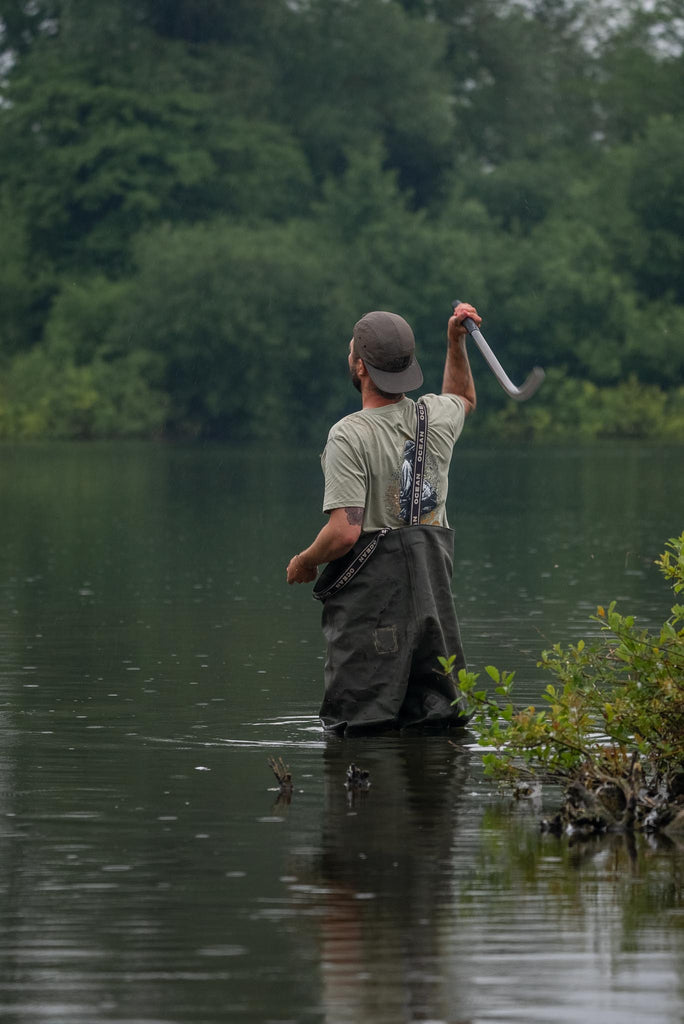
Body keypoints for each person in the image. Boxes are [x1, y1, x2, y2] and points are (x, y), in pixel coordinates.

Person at [286, 302, 481, 735]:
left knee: (358, 727)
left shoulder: (348, 434)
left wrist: (305, 561)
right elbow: (464, 397)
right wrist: (455, 341)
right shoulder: (437, 417)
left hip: (374, 613)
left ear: (361, 367)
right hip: (434, 604)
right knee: (438, 725)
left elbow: (344, 532)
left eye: (353, 349)